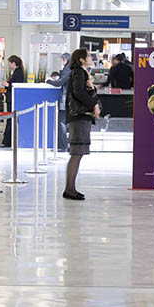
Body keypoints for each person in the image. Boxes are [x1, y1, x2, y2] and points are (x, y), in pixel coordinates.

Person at [64, 49, 100, 200]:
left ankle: (71, 188)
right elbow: (78, 93)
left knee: (77, 153)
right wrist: (94, 105)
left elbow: (82, 91)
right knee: (77, 152)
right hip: (79, 117)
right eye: (89, 56)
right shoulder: (79, 72)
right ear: (81, 59)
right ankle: (69, 189)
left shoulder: (82, 72)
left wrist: (91, 88)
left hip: (79, 117)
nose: (91, 58)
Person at [47, 53, 71, 152]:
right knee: (64, 123)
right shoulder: (71, 69)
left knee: (61, 123)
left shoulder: (67, 69)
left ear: (65, 59)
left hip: (65, 101)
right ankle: (64, 145)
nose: (61, 62)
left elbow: (59, 83)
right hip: (68, 100)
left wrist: (48, 81)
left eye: (62, 60)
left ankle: (63, 146)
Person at [0, 55, 25, 147]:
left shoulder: (18, 72)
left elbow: (17, 86)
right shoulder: (14, 72)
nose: (8, 65)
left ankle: (7, 141)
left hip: (13, 99)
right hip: (10, 98)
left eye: (9, 63)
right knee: (10, 119)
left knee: (11, 120)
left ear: (13, 63)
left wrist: (7, 85)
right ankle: (7, 141)